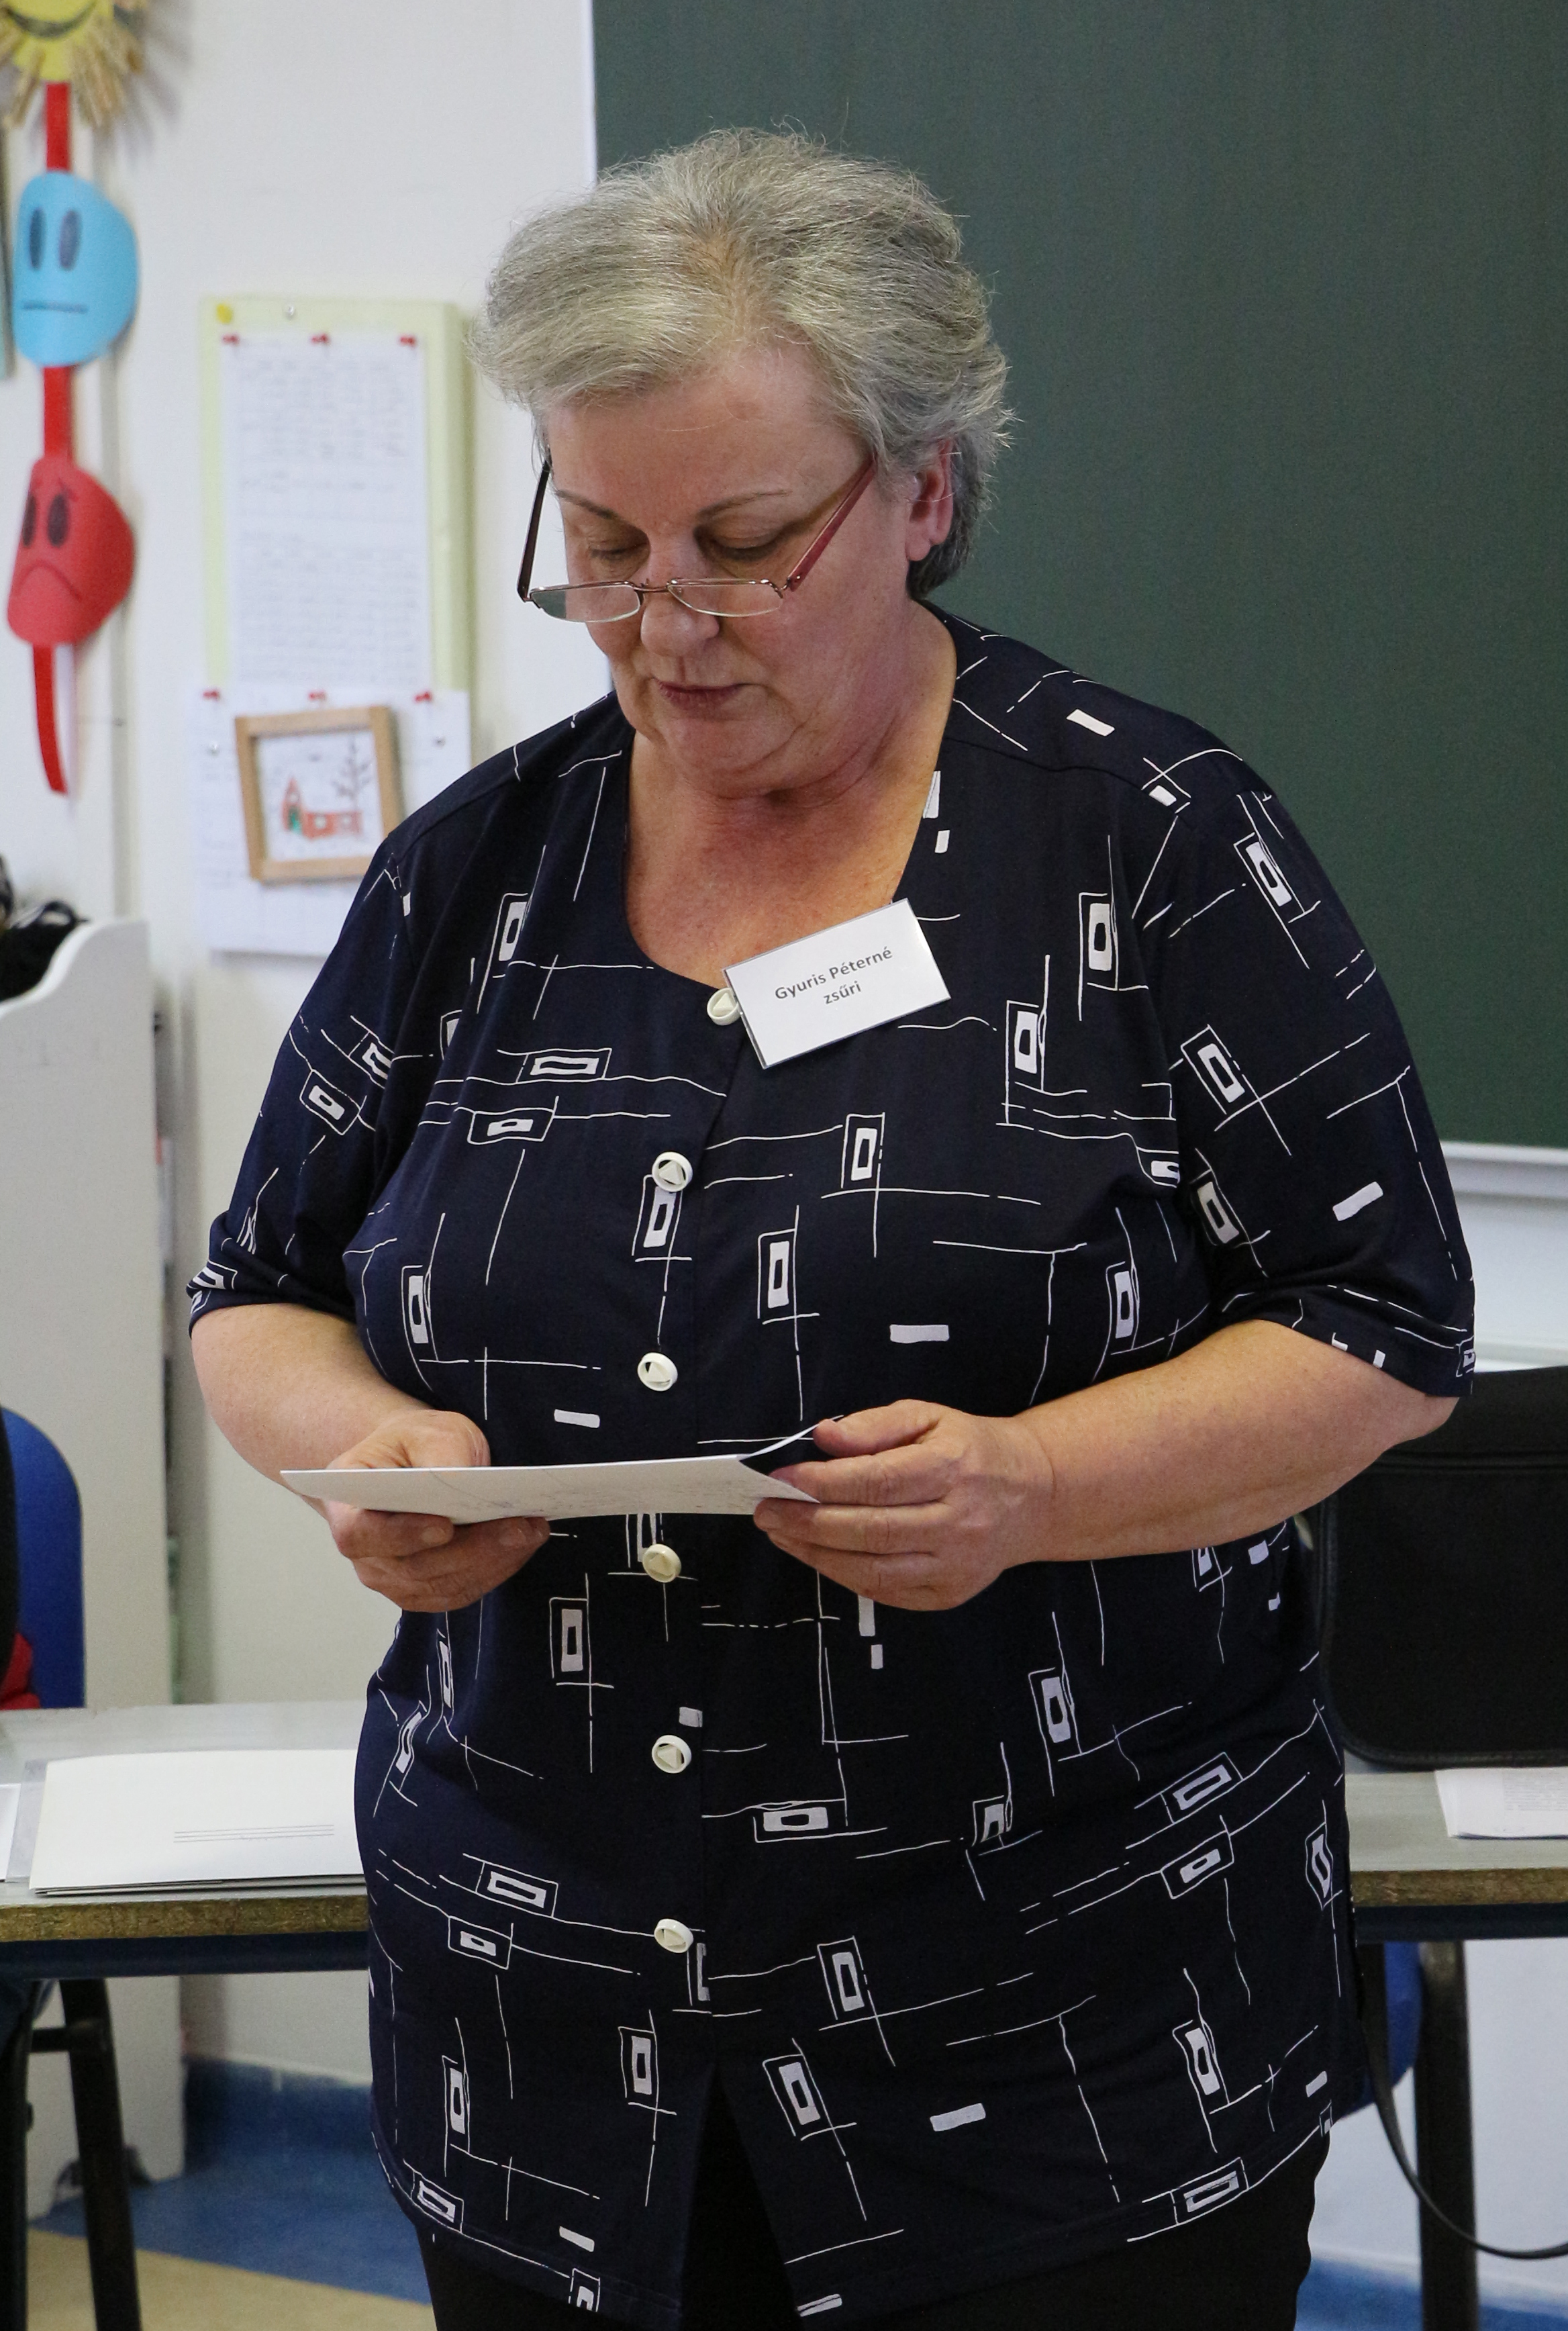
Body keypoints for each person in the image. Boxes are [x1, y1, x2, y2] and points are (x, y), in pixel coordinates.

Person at [191, 130, 1473, 2331]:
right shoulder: (474, 871)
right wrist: (360, 1452)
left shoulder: (1151, 848)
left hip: (1053, 2059)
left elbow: (1383, 1321)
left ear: (926, 491)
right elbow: (259, 1291)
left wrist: (1035, 1484)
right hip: (551, 2051)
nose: (663, 623)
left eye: (744, 545)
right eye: (603, 545)